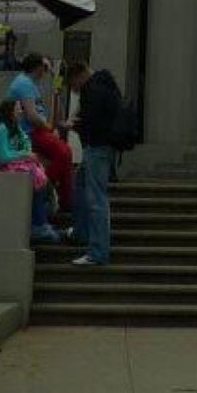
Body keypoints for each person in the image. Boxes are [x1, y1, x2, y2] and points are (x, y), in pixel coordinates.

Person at [0, 100, 60, 243]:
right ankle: (39, 224)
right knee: (34, 175)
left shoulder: (16, 128)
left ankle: (40, 222)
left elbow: (25, 146)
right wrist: (25, 155)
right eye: (18, 109)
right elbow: (3, 157)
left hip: (13, 165)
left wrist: (26, 152)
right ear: (10, 111)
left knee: (39, 175)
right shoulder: (0, 128)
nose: (21, 112)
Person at [66, 60, 120, 268]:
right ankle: (81, 231)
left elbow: (93, 121)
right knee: (80, 183)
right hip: (104, 147)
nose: (75, 91)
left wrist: (75, 124)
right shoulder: (106, 83)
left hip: (96, 147)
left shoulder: (92, 89)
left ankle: (97, 252)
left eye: (74, 86)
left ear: (79, 76)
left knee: (96, 198)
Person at [6, 52, 75, 212]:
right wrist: (49, 128)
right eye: (45, 68)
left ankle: (65, 201)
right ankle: (45, 187)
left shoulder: (31, 85)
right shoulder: (23, 83)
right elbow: (32, 116)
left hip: (38, 131)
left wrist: (56, 84)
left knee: (64, 154)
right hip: (29, 132)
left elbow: (51, 115)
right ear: (38, 67)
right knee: (64, 152)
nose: (46, 72)